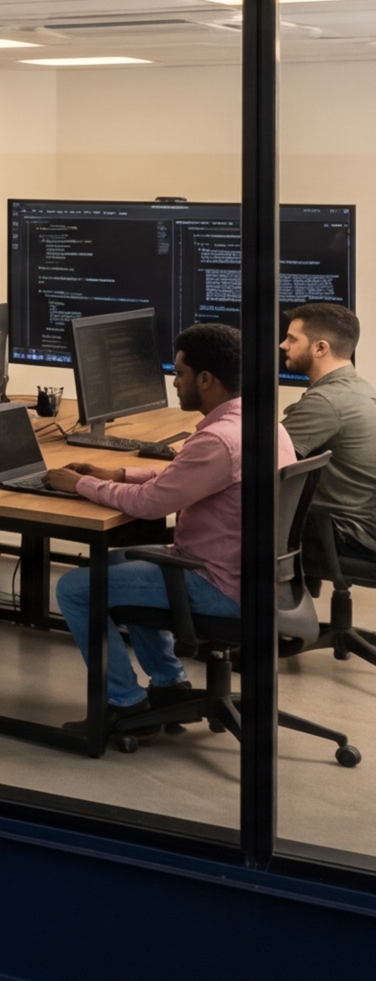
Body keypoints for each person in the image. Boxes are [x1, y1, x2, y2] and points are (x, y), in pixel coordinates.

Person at [43, 323, 295, 739]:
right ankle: (169, 686)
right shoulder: (256, 420)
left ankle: (123, 704)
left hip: (219, 584)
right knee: (122, 560)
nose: (174, 382)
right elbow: (183, 476)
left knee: (75, 588)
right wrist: (119, 472)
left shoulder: (219, 440)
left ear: (206, 379)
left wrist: (81, 484)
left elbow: (151, 504)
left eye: (179, 373)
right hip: (252, 576)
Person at [284, 302, 376, 561]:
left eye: (292, 338)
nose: (283, 345)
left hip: (348, 532)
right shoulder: (359, 387)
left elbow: (263, 459)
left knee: (232, 518)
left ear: (320, 348)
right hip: (363, 523)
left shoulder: (327, 401)